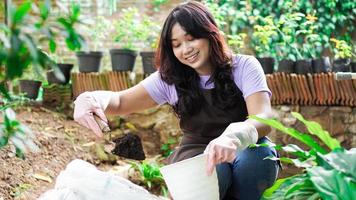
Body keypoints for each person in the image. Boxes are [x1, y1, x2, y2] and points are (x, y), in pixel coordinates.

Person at [73, 1, 279, 199]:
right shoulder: (170, 79)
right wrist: (90, 98)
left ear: (209, 34)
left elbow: (263, 116)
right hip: (197, 155)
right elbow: (119, 101)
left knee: (258, 159)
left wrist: (234, 136)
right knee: (207, 172)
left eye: (191, 39)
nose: (186, 49)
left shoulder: (244, 66)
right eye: (177, 45)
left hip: (244, 148)